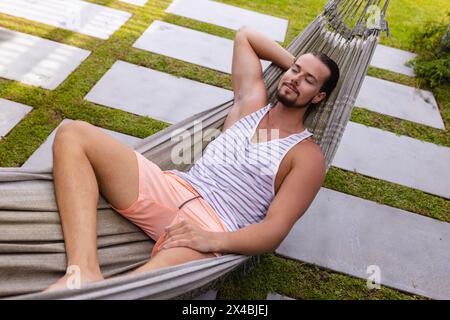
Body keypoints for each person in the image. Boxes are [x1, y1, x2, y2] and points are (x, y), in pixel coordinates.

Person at [45, 26, 339, 292]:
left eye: (309, 80)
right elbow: (247, 37)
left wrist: (211, 240)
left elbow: (274, 231)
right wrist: (300, 71)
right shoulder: (251, 104)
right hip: (173, 189)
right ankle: (83, 269)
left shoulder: (306, 156)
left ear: (319, 97)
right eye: (294, 70)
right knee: (73, 133)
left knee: (127, 291)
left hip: (215, 224)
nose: (295, 79)